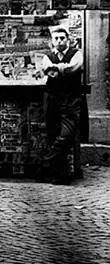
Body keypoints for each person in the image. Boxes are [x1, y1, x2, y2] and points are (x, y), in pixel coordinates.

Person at [39, 27, 83, 185]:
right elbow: (49, 71)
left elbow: (74, 67)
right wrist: (63, 69)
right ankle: (59, 175)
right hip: (52, 100)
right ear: (52, 41)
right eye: (56, 38)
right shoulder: (47, 56)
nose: (59, 41)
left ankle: (44, 164)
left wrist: (57, 68)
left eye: (62, 38)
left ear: (68, 40)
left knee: (65, 136)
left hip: (71, 100)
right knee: (53, 135)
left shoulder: (76, 53)